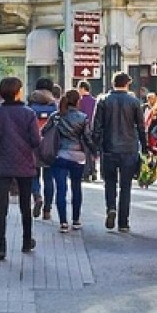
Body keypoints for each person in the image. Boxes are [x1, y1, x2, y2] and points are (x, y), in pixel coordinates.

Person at [0, 77, 41, 260]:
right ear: (17, 92)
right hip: (25, 164)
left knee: (2, 206)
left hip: (3, 165)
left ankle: (1, 246)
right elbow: (36, 140)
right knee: (25, 205)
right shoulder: (28, 113)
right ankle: (26, 240)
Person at [90, 72, 145, 233]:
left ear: (113, 83)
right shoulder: (134, 102)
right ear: (127, 84)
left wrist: (96, 146)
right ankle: (123, 222)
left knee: (110, 183)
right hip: (129, 149)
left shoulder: (103, 101)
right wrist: (145, 146)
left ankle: (111, 208)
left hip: (109, 148)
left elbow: (96, 127)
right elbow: (141, 127)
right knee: (126, 186)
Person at [48, 90, 92, 233]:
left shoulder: (56, 116)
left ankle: (63, 222)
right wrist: (94, 150)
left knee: (61, 189)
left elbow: (44, 133)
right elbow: (87, 137)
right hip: (78, 157)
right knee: (76, 187)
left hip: (59, 155)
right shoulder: (82, 117)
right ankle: (76, 220)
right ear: (78, 101)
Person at [27, 77, 57, 220]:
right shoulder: (55, 107)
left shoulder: (30, 107)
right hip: (50, 147)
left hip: (33, 145)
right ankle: (47, 210)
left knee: (34, 175)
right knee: (49, 178)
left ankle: (37, 195)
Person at [77, 81, 99, 183]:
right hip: (93, 129)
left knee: (85, 151)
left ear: (82, 88)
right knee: (92, 151)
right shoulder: (95, 101)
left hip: (82, 129)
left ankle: (86, 173)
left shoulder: (79, 102)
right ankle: (93, 171)